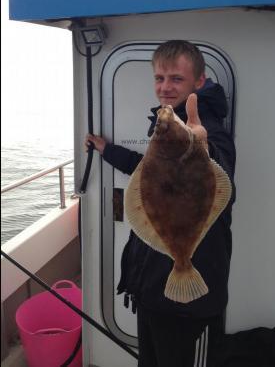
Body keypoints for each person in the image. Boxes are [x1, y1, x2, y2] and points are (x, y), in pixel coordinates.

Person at [85, 40, 236, 367]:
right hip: (151, 286)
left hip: (192, 304)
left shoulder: (205, 129)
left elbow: (226, 184)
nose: (165, 87)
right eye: (159, 78)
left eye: (176, 79)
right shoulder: (169, 122)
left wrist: (204, 151)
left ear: (199, 82)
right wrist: (106, 150)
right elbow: (148, 170)